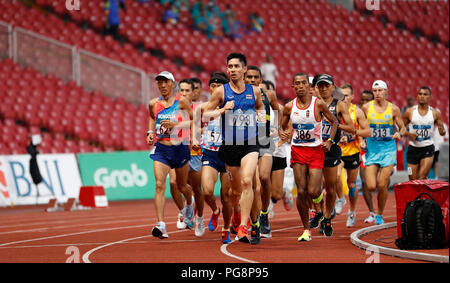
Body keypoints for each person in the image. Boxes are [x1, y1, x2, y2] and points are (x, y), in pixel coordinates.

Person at [205, 53, 265, 244]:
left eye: (236, 66)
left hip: (250, 143)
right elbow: (205, 114)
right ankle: (238, 215)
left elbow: (260, 108)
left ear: (244, 69)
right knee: (234, 192)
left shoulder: (254, 91)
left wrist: (265, 124)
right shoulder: (221, 92)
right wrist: (221, 110)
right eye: (229, 66)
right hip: (230, 146)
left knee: (248, 181)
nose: (232, 70)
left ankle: (244, 226)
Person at [280, 72, 339, 242]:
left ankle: (319, 210)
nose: (299, 86)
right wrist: (284, 133)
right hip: (298, 151)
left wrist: (329, 141)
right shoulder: (289, 106)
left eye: (303, 83)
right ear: (292, 87)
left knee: (314, 190)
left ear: (309, 86)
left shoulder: (318, 104)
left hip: (315, 152)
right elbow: (283, 125)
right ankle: (306, 229)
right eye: (296, 83)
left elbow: (334, 121)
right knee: (302, 191)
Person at [147, 71, 194, 239]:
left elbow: (194, 120)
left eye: (166, 82)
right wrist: (150, 132)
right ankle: (161, 224)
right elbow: (152, 118)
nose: (162, 86)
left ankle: (190, 202)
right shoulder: (153, 103)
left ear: (173, 84)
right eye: (159, 83)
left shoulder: (181, 102)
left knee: (181, 186)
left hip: (180, 148)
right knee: (160, 185)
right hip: (162, 149)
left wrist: (177, 124)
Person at [311, 74, 354, 237]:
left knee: (329, 187)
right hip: (313, 149)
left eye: (326, 86)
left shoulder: (339, 105)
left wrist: (337, 129)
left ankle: (327, 218)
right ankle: (319, 212)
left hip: (331, 149)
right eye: (320, 86)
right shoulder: (312, 104)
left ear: (332, 87)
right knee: (313, 189)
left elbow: (350, 126)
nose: (323, 88)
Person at [195, 72, 233, 244]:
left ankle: (226, 230)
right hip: (209, 153)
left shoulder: (232, 107)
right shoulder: (202, 107)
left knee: (226, 196)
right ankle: (215, 211)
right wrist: (196, 138)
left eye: (219, 85)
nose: (215, 88)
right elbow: (198, 122)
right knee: (207, 191)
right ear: (209, 88)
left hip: (227, 155)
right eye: (213, 85)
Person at [361, 80, 406, 225]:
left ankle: (379, 215)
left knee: (382, 185)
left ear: (386, 91)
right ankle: (378, 209)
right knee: (371, 186)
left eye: (380, 90)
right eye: (375, 91)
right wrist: (361, 139)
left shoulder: (394, 109)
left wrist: (400, 134)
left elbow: (403, 127)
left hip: (388, 150)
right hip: (372, 150)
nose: (377, 93)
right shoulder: (366, 107)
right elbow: (361, 126)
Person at [244, 66, 280, 241]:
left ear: (260, 78)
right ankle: (255, 223)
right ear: (244, 78)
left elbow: (278, 110)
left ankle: (264, 212)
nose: (252, 79)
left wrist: (278, 128)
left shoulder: (268, 95)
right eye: (249, 77)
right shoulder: (239, 96)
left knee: (265, 178)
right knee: (253, 186)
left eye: (255, 77)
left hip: (265, 141)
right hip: (245, 143)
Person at [337, 84, 371, 227]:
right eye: (341, 95)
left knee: (351, 184)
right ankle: (340, 199)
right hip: (337, 151)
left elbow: (367, 132)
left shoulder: (357, 112)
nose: (343, 98)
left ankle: (351, 211)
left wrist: (353, 134)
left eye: (346, 95)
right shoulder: (334, 110)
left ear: (352, 97)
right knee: (335, 177)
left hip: (352, 152)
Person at [178, 79, 205, 237]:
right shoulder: (175, 107)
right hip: (179, 150)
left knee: (197, 189)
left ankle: (199, 218)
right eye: (181, 90)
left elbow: (206, 127)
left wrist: (196, 132)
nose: (185, 93)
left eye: (188, 90)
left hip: (195, 152)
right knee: (176, 183)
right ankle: (186, 208)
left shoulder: (201, 107)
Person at [403, 86, 447, 180]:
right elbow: (400, 129)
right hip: (412, 149)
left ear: (430, 97)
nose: (422, 96)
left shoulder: (435, 113)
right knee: (412, 179)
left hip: (428, 148)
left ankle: (424, 185)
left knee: (421, 177)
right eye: (420, 94)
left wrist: (441, 129)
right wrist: (409, 134)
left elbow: (442, 132)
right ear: (417, 96)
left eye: (425, 94)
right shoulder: (409, 112)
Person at [358, 90, 377, 223]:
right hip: (364, 151)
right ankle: (372, 212)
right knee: (365, 182)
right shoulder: (357, 113)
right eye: (363, 100)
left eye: (368, 100)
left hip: (381, 151)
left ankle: (380, 210)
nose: (365, 103)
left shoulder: (380, 113)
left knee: (381, 184)